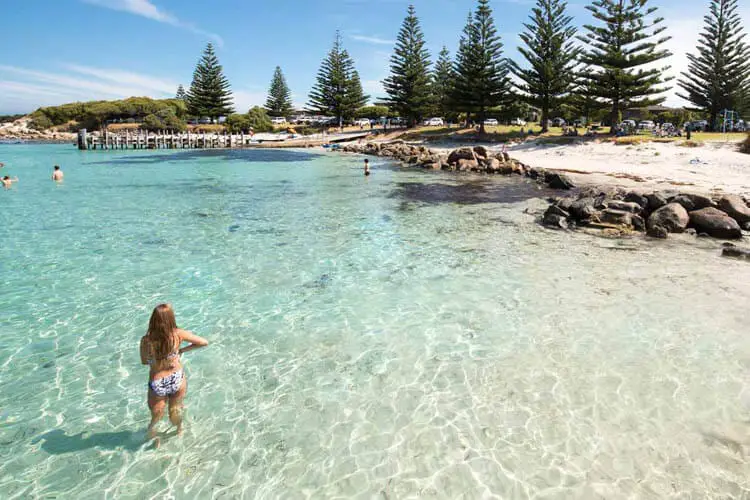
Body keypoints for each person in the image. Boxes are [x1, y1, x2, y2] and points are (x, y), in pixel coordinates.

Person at [140, 303, 208, 440]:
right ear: (171, 318)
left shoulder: (147, 340)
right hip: (176, 378)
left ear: (153, 319)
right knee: (175, 410)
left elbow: (144, 361)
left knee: (156, 416)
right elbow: (203, 342)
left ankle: (153, 438)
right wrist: (180, 350)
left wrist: (158, 359)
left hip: (157, 382)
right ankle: (178, 431)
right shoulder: (177, 334)